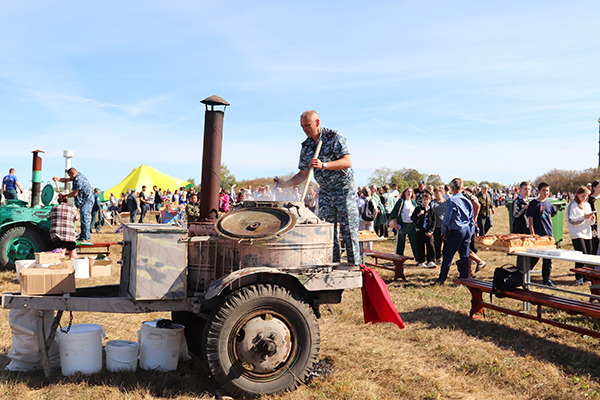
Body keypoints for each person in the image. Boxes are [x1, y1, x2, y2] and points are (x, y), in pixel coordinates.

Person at [275, 110, 360, 264]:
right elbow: (303, 174)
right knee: (328, 231)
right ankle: (332, 265)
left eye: (307, 125)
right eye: (302, 126)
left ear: (317, 122)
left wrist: (324, 165)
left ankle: (355, 267)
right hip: (326, 191)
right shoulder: (306, 146)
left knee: (349, 231)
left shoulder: (334, 137)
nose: (305, 129)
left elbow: (347, 161)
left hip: (343, 189)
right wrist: (286, 184)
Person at [433, 178, 474, 286]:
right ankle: (464, 279)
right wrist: (470, 233)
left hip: (456, 230)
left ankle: (442, 279)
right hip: (466, 229)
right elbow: (471, 218)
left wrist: (444, 230)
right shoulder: (467, 200)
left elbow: (447, 217)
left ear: (452, 188)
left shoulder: (452, 200)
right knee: (464, 255)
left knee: (448, 255)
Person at [526, 182, 557, 286]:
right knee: (534, 258)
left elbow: (550, 219)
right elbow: (530, 220)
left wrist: (551, 234)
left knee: (548, 259)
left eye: (547, 190)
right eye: (543, 190)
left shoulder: (549, 204)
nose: (545, 192)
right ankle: (523, 275)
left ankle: (546, 279)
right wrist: (532, 234)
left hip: (548, 235)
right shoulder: (534, 203)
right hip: (538, 235)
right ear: (539, 191)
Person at [53, 168, 94, 242]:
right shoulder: (78, 175)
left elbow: (74, 193)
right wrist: (58, 179)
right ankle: (83, 235)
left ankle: (86, 237)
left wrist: (65, 195)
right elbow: (67, 180)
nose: (70, 177)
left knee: (85, 218)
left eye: (70, 175)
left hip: (86, 201)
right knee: (83, 218)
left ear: (72, 173)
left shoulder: (78, 180)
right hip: (85, 200)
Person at [567, 186, 595, 285]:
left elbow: (591, 222)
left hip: (587, 232)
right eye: (582, 196)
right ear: (577, 195)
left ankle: (586, 276)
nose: (584, 198)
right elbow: (571, 220)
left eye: (586, 196)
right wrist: (584, 217)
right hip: (577, 233)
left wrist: (592, 219)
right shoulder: (572, 205)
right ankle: (579, 277)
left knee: (588, 254)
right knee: (581, 254)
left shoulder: (587, 205)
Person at [388, 187, 419, 259]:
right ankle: (399, 258)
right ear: (404, 193)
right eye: (408, 191)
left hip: (412, 224)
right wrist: (396, 224)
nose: (409, 193)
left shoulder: (413, 202)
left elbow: (417, 211)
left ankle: (418, 258)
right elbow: (394, 213)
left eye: (411, 192)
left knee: (415, 242)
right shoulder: (401, 201)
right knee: (400, 242)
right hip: (403, 224)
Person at [49, 194, 79, 259]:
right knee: (72, 252)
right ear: (66, 201)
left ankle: (61, 265)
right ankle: (74, 266)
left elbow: (50, 216)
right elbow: (77, 217)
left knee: (60, 251)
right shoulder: (71, 209)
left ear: (58, 201)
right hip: (69, 235)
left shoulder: (54, 208)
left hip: (56, 235)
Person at [411, 192, 436, 268]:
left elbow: (434, 221)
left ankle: (431, 261)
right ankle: (421, 261)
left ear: (429, 201)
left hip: (428, 231)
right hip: (420, 230)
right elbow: (413, 218)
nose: (425, 201)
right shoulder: (418, 208)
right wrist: (419, 214)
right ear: (422, 200)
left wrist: (431, 231)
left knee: (430, 245)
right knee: (420, 246)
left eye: (427, 200)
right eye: (424, 200)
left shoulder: (432, 210)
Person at [431, 187, 446, 265]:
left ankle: (444, 255)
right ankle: (438, 257)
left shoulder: (446, 202)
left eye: (437, 192)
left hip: (445, 226)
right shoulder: (433, 203)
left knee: (446, 243)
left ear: (442, 192)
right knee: (437, 243)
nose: (436, 194)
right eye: (435, 192)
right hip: (436, 226)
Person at [588, 180, 600, 255]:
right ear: (594, 188)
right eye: (599, 187)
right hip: (594, 225)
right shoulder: (591, 200)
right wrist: (593, 228)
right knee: (595, 246)